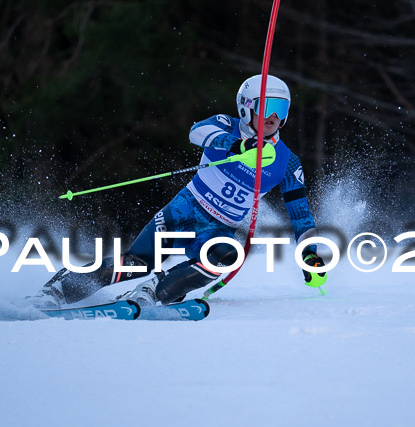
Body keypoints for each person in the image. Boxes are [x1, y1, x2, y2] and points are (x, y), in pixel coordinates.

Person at [28, 74, 326, 309]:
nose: (273, 117)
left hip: (218, 229)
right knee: (135, 263)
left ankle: (152, 292)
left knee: (226, 256)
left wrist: (309, 254)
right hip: (184, 210)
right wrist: (237, 146)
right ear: (247, 107)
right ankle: (58, 289)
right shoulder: (227, 126)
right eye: (266, 107)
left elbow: (300, 214)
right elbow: (197, 132)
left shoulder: (287, 162)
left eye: (281, 109)